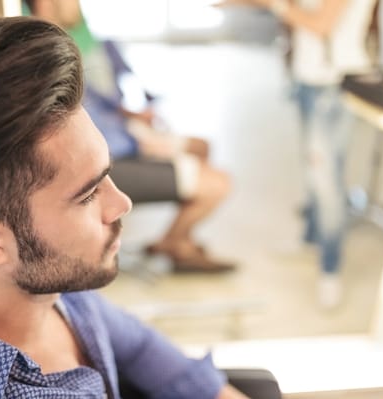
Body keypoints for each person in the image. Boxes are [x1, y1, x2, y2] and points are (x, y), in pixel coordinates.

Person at [0, 17, 250, 398]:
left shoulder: (49, 283)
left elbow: (138, 347)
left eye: (106, 176)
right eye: (87, 195)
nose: (122, 204)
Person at [26, 0, 236, 274]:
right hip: (108, 158)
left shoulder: (80, 40)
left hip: (116, 141)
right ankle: (176, 242)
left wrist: (134, 122)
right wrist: (140, 140)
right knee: (218, 183)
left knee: (200, 148)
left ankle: (178, 240)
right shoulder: (46, 55)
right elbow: (87, 122)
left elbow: (99, 103)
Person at [216, 0, 377, 307]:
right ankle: (311, 241)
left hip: (332, 86)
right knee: (315, 173)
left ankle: (330, 271)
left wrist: (276, 7)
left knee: (327, 183)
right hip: (310, 81)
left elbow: (321, 24)